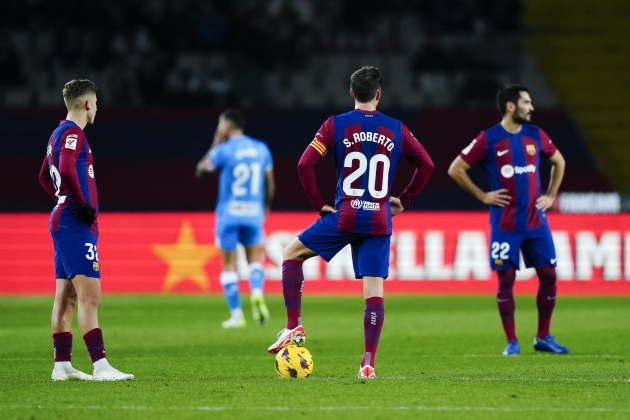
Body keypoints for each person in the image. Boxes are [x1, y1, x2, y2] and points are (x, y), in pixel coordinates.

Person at [266, 66, 435, 378]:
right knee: (374, 293)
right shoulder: (397, 128)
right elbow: (426, 164)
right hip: (379, 219)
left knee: (291, 255)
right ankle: (368, 363)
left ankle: (293, 326)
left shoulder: (335, 125)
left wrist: (319, 205)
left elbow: (305, 164)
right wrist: (404, 200)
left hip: (345, 216)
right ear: (379, 94)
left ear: (351, 93)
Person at [448, 84, 568, 356]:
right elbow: (455, 169)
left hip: (536, 222)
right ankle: (512, 341)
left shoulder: (536, 135)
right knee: (506, 280)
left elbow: (559, 162)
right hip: (505, 224)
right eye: (527, 102)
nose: (532, 107)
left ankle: (543, 336)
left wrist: (550, 195)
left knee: (549, 276)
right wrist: (482, 195)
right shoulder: (488, 139)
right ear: (511, 106)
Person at [38, 79, 134, 381]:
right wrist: (79, 204)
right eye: (96, 103)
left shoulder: (57, 134)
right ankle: (101, 365)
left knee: (65, 296)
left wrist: (61, 200)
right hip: (74, 222)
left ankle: (62, 365)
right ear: (88, 104)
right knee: (90, 295)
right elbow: (65, 169)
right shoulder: (73, 134)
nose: (97, 108)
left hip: (63, 218)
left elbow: (44, 175)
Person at [196, 109, 275, 328]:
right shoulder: (261, 149)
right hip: (253, 213)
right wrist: (265, 207)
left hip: (229, 214)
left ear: (227, 127)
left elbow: (201, 171)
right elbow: (270, 182)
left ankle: (237, 315)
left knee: (229, 265)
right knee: (254, 260)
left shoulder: (224, 150)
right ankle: (257, 292)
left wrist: (215, 143)